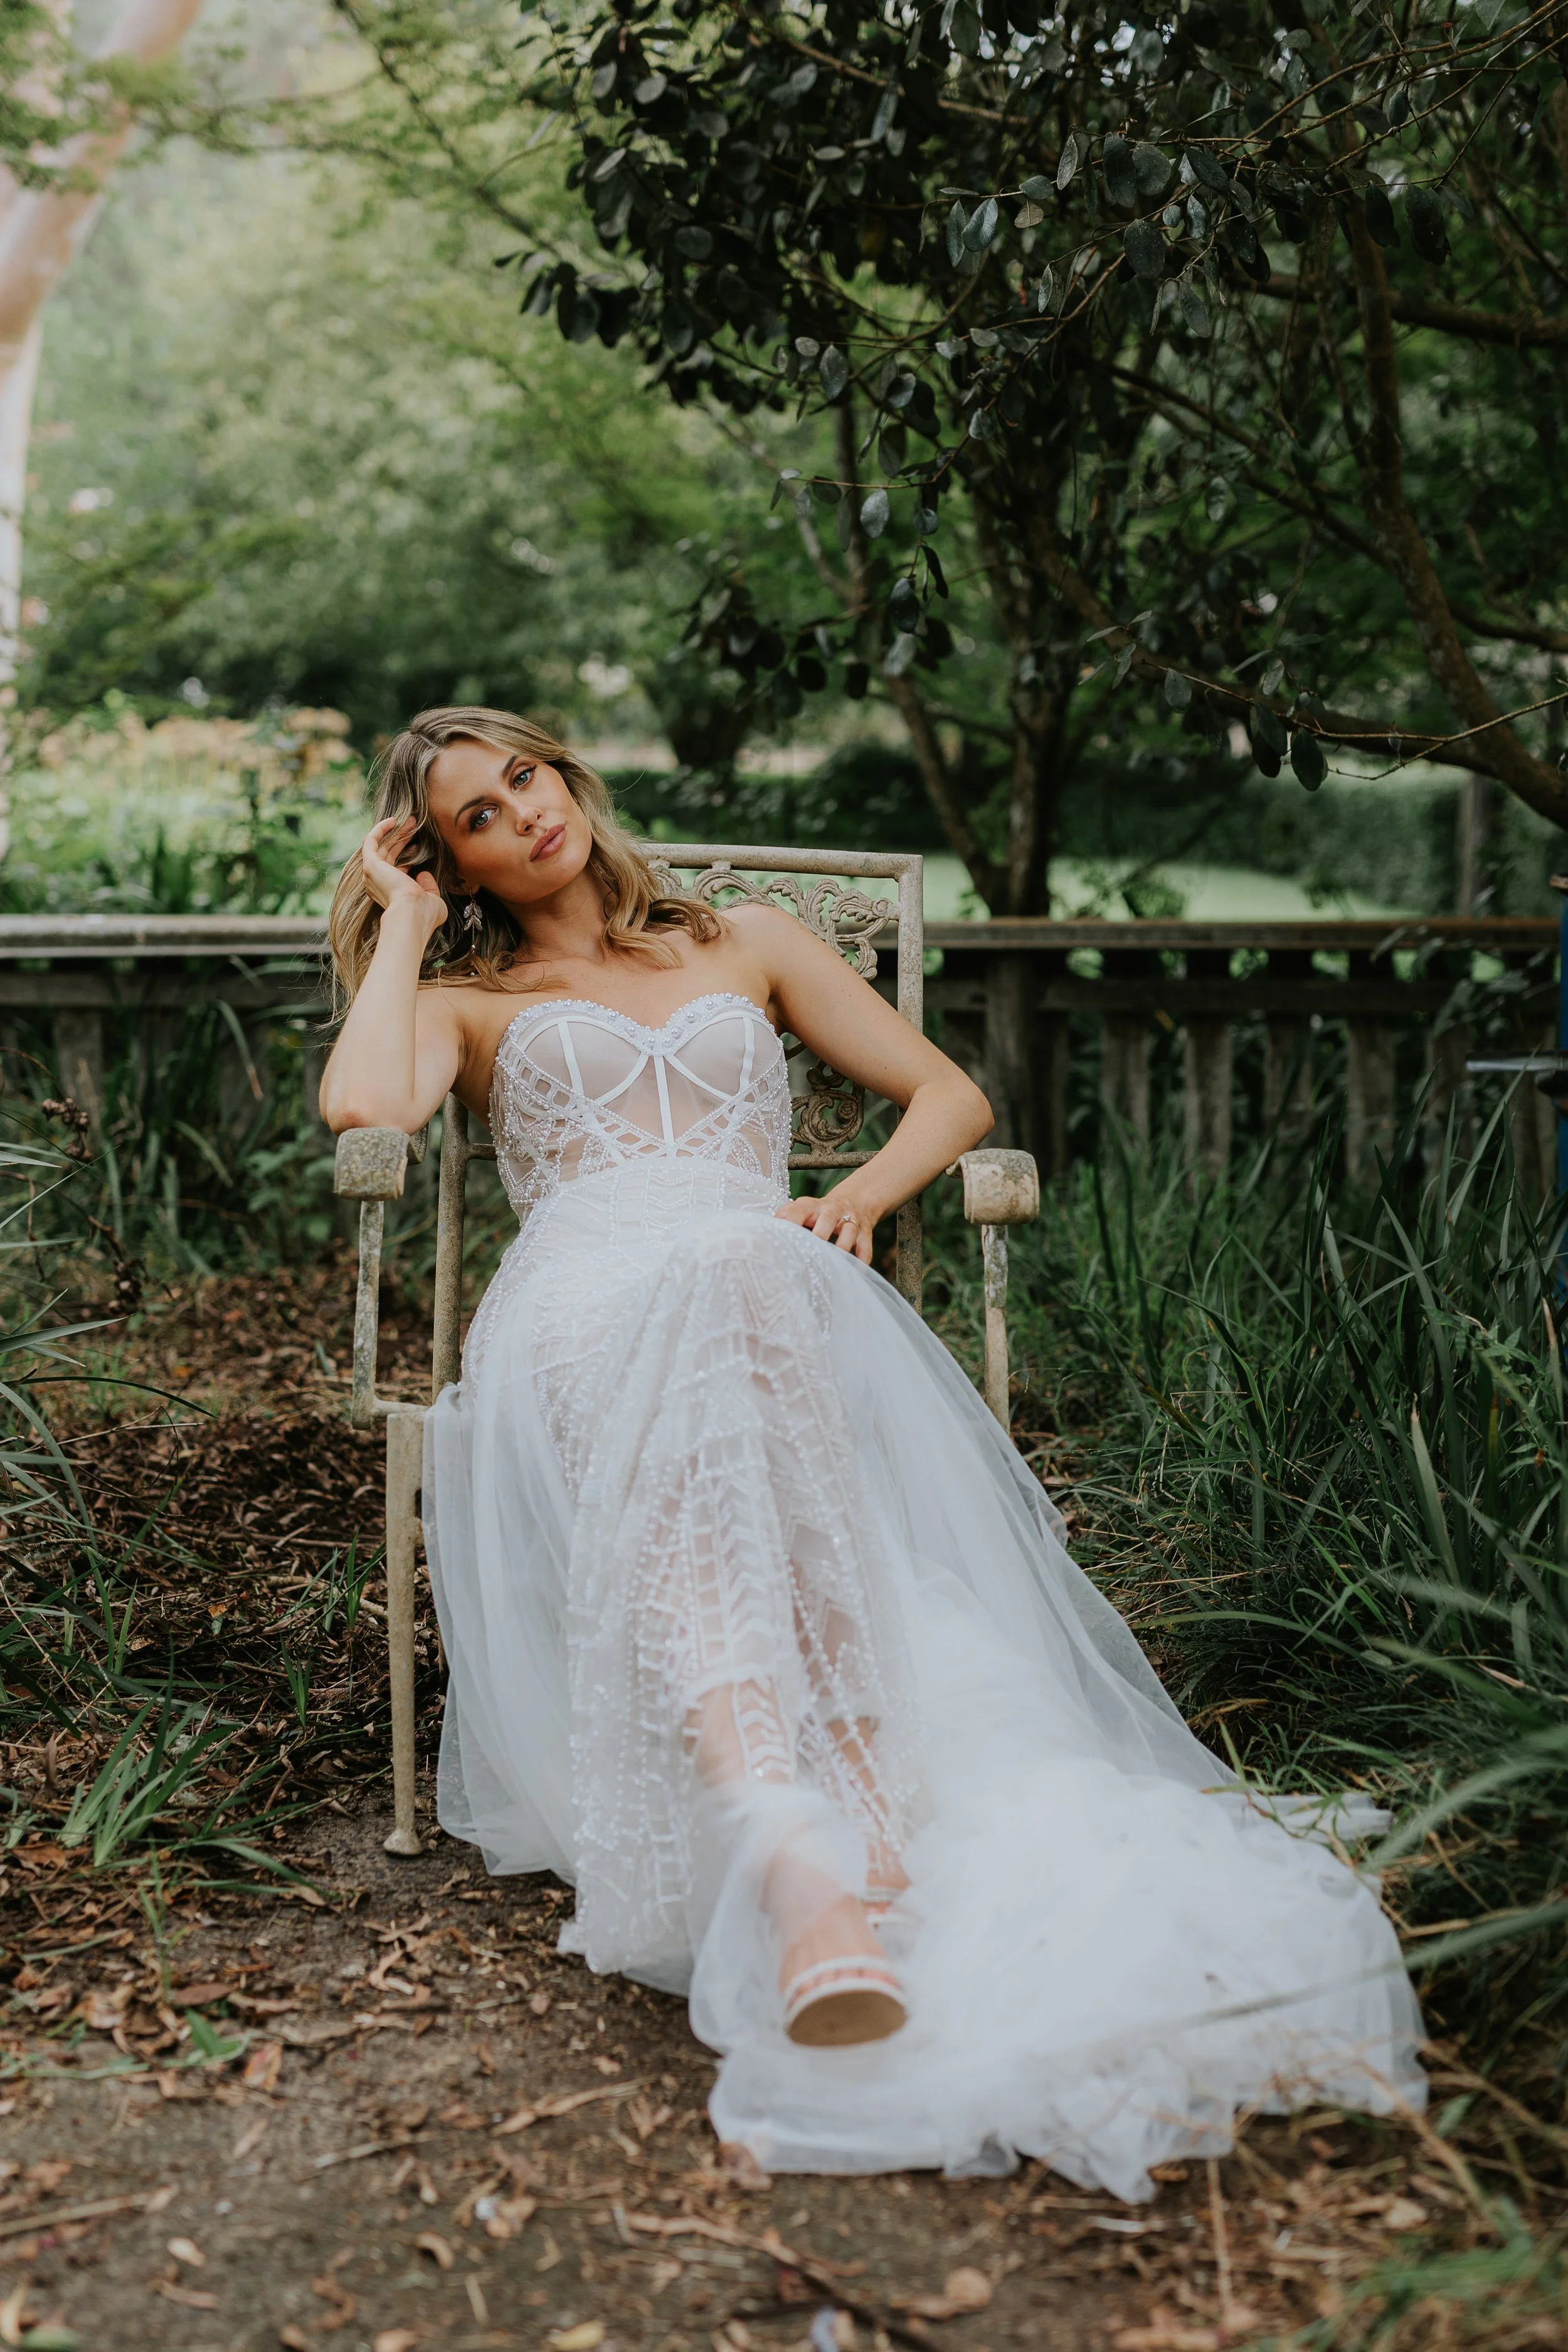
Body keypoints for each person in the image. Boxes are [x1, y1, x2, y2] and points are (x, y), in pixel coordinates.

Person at [320, 704, 1424, 2195]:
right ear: (448, 861)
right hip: (576, 1322)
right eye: (472, 818)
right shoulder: (469, 997)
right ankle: (817, 1823)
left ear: (563, 777)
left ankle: (800, 1851)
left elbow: (949, 1096)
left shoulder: (748, 939)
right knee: (726, 1279)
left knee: (746, 1268)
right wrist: (394, 921)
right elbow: (362, 1106)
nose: (522, 815)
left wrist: (857, 1201)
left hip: (770, 1283)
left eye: (524, 776)